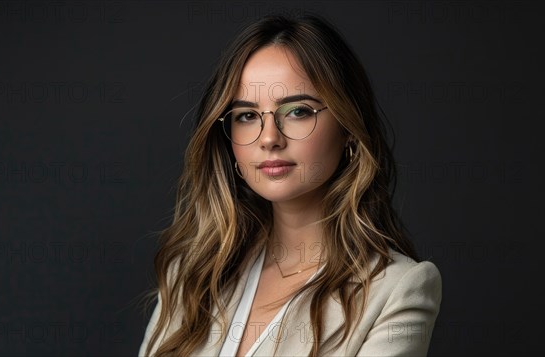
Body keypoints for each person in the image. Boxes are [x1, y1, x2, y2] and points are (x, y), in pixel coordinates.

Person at [139, 13, 442, 357]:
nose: (269, 138)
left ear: (347, 127)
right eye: (247, 116)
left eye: (297, 111)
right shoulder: (193, 275)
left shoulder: (396, 290)